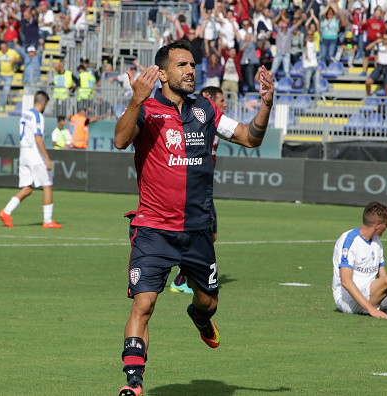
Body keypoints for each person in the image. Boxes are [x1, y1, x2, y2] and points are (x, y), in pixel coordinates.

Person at [113, 40, 274, 396]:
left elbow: (250, 138)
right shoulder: (147, 109)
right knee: (144, 303)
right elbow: (120, 140)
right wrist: (136, 99)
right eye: (182, 65)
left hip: (198, 231)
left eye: (192, 65)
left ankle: (199, 317)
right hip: (153, 228)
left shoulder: (206, 110)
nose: (190, 70)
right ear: (163, 73)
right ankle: (133, 382)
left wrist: (265, 105)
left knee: (208, 302)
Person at [170, 85, 227, 294]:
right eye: (221, 100)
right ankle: (181, 278)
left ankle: (186, 276)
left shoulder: (215, 121)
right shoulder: (195, 122)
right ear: (208, 98)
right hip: (194, 191)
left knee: (210, 235)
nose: (225, 104)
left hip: (205, 189)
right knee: (200, 234)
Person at [0, 91, 62, 229]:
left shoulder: (25, 114)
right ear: (43, 102)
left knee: (27, 188)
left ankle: (6, 212)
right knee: (47, 186)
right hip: (35, 154)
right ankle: (48, 221)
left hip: (24, 153)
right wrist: (47, 157)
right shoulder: (38, 116)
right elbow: (38, 137)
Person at [0, 41, 20, 111]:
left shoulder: (12, 52)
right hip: (0, 75)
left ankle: (0, 107)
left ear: (7, 47)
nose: (3, 49)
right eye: (1, 48)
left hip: (9, 75)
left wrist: (14, 61)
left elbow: (19, 59)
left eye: (4, 47)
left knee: (5, 91)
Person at [303, 29, 320, 95]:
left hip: (315, 66)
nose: (310, 36)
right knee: (306, 86)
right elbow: (304, 45)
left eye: (311, 34)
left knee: (317, 86)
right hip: (307, 66)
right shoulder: (305, 43)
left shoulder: (314, 43)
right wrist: (306, 40)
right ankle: (304, 102)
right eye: (308, 34)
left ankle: (317, 103)